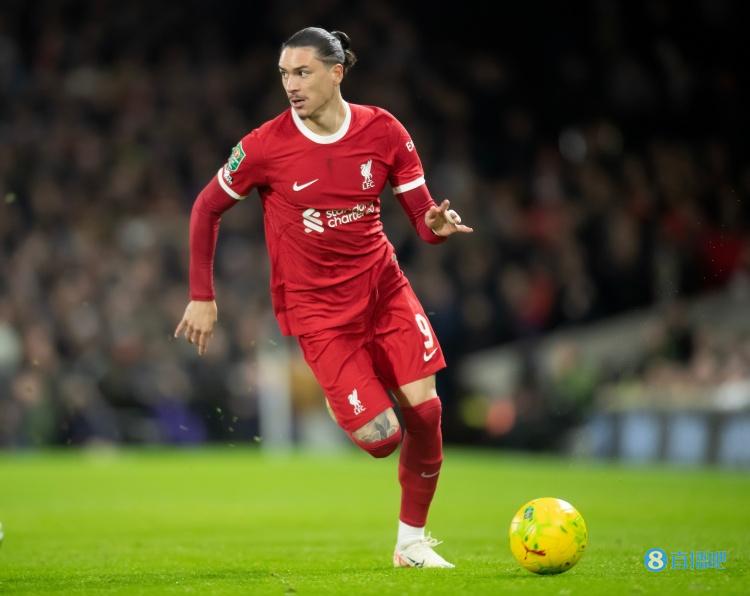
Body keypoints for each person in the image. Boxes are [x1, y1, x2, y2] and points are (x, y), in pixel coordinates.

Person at [175, 27, 473, 568]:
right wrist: (202, 295)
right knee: (382, 439)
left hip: (384, 292)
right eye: (284, 74)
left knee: (427, 413)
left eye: (302, 72)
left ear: (337, 73)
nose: (291, 84)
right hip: (320, 316)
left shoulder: (383, 130)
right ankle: (348, 393)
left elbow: (423, 218)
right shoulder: (264, 146)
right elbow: (205, 208)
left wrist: (435, 225)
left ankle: (411, 544)